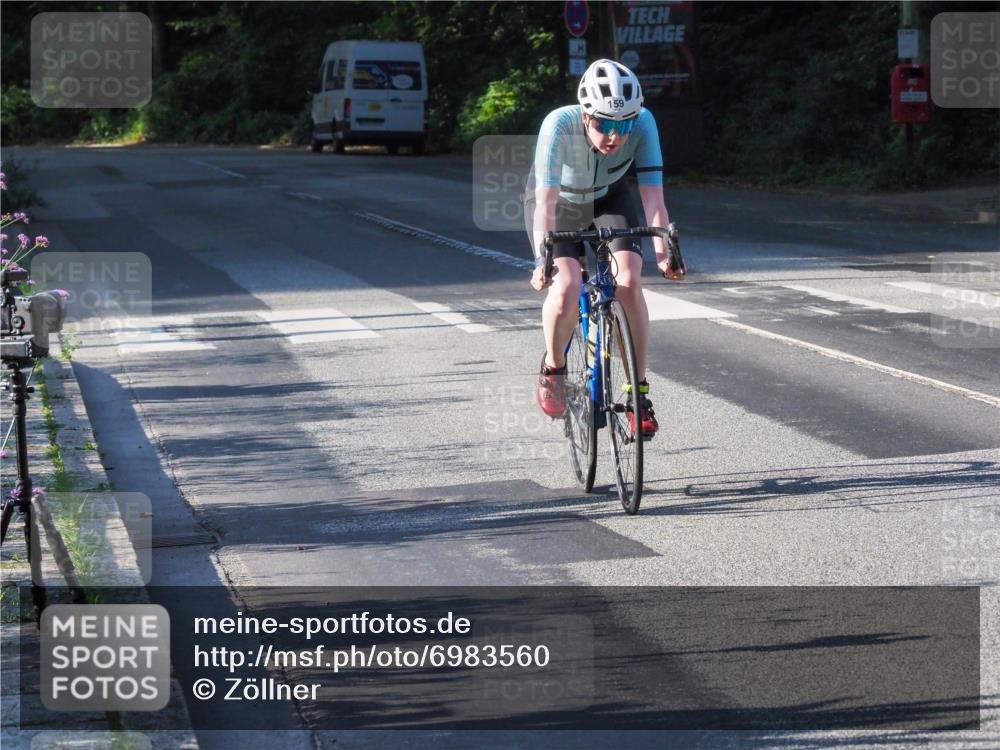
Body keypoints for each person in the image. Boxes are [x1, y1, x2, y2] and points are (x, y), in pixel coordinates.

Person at [525, 59, 683, 437]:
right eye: (603, 125)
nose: (614, 136)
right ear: (585, 115)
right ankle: (554, 368)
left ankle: (638, 395)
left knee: (628, 282)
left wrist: (665, 255)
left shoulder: (645, 123)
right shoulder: (558, 125)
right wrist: (543, 260)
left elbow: (654, 199)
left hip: (609, 198)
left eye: (623, 125)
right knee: (566, 285)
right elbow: (546, 204)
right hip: (560, 203)